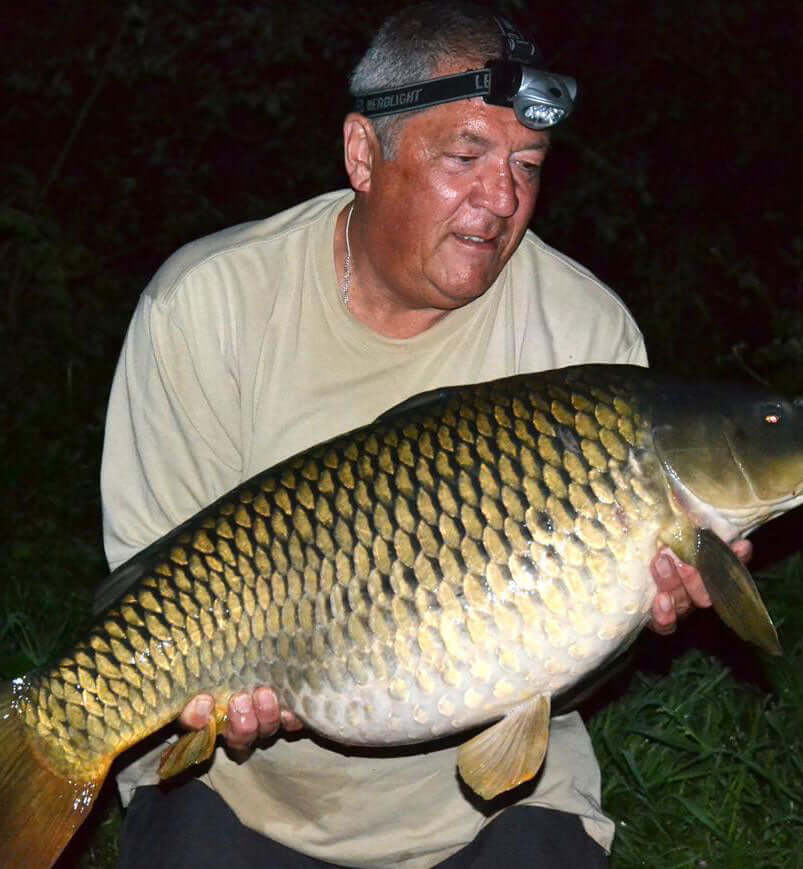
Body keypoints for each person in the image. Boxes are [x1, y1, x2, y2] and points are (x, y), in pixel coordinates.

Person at [100, 4, 748, 867]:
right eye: (465, 157)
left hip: (495, 801)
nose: (504, 197)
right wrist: (208, 690)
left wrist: (634, 605)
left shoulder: (586, 337)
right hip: (241, 786)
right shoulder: (207, 304)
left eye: (527, 163)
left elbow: (566, 655)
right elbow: (151, 583)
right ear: (364, 155)